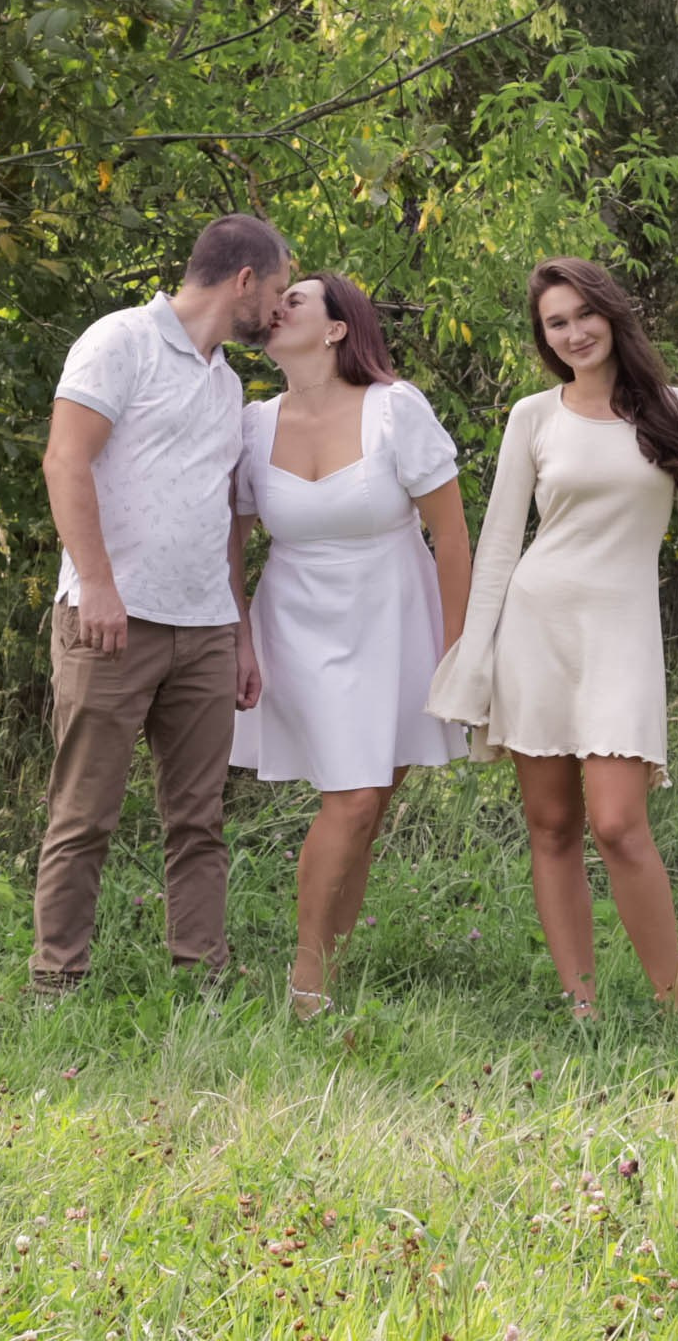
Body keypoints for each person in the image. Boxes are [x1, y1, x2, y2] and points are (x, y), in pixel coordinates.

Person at [426, 256, 678, 1016]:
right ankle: (582, 1007)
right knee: (551, 824)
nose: (575, 333)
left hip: (620, 636)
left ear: (612, 315)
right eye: (557, 322)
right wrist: (471, 663)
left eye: (585, 315)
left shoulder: (677, 412)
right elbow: (498, 548)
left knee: (618, 824)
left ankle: (674, 1008)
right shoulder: (533, 417)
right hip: (535, 629)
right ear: (543, 336)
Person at [30, 213, 291, 996]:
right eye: (276, 293)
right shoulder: (120, 342)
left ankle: (201, 983)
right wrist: (99, 586)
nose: (279, 312)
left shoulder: (226, 382)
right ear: (243, 281)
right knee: (84, 817)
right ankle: (56, 984)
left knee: (200, 821)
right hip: (112, 622)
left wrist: (239, 637)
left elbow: (218, 517)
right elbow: (64, 459)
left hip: (205, 629)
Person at [227, 272, 472, 1019]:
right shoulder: (252, 423)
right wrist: (240, 637)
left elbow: (453, 534)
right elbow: (230, 544)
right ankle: (305, 984)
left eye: (295, 301)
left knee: (369, 806)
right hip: (297, 621)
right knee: (353, 795)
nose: (276, 309)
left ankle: (326, 966)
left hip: (395, 616)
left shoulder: (395, 409)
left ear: (337, 328)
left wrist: (459, 650)